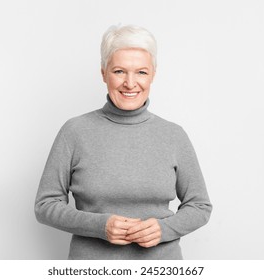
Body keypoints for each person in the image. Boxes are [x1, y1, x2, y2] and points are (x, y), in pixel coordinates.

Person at [34, 24, 212, 260]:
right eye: (119, 71)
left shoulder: (173, 135)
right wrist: (99, 225)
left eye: (141, 72)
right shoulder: (75, 131)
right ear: (103, 73)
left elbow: (200, 206)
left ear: (153, 75)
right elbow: (45, 205)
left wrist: (163, 229)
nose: (130, 83)